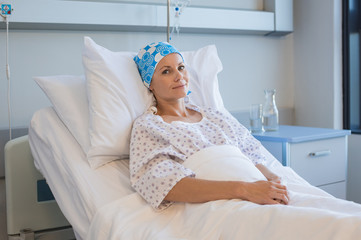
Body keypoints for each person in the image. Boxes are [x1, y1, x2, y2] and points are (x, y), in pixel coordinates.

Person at [131, 42, 289, 210]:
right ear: (150, 83)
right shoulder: (149, 126)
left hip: (260, 191)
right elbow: (163, 184)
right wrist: (244, 189)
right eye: (166, 71)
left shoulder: (215, 116)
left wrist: (272, 179)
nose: (179, 76)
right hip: (217, 205)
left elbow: (250, 152)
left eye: (181, 67)